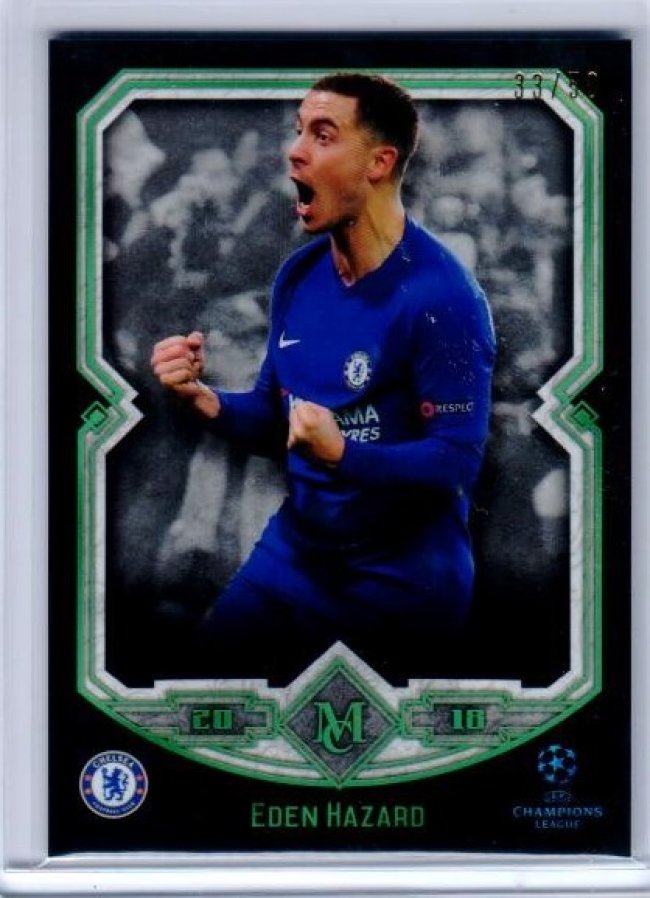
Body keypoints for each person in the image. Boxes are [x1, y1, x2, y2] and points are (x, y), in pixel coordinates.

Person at [151, 73, 496, 682]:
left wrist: (342, 453)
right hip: (295, 557)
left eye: (323, 134)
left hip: (401, 583)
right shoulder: (299, 275)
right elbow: (274, 416)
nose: (295, 150)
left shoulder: (443, 297)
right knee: (199, 701)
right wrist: (202, 399)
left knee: (355, 742)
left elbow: (457, 461)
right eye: (298, 131)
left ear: (378, 163)